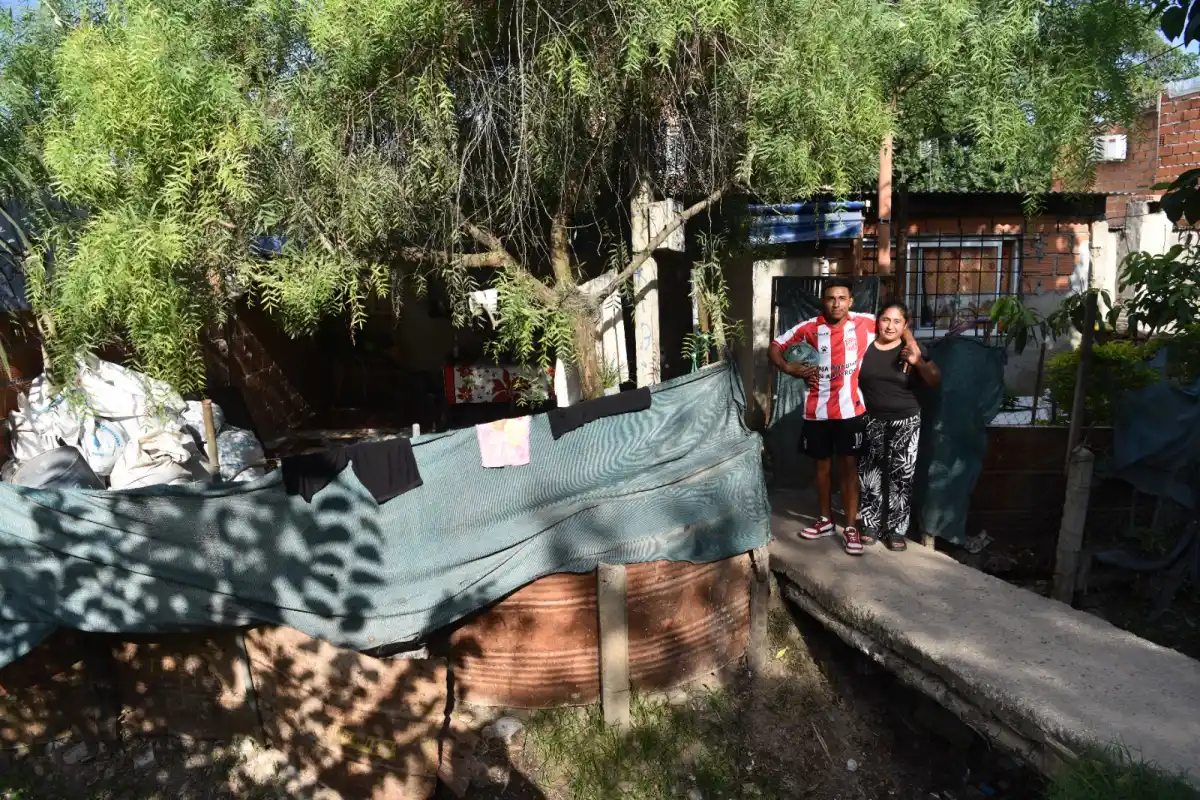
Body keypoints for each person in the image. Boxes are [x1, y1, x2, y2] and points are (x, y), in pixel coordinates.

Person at [768, 278, 876, 555]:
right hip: (817, 412)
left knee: (850, 470)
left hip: (851, 411)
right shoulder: (809, 328)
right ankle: (825, 520)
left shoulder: (865, 323)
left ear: (850, 301)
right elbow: (775, 346)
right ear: (823, 301)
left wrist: (912, 353)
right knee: (823, 469)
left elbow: (897, 326)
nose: (836, 303)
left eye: (842, 298)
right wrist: (788, 369)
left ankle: (851, 527)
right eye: (831, 298)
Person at [855, 300, 941, 552]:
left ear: (905, 325)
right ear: (877, 321)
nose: (890, 326)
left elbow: (935, 380)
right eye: (885, 319)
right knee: (870, 474)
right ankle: (870, 524)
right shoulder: (865, 346)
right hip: (872, 419)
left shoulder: (912, 348)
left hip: (906, 419)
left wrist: (918, 362)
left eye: (897, 321)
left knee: (901, 476)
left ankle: (895, 530)